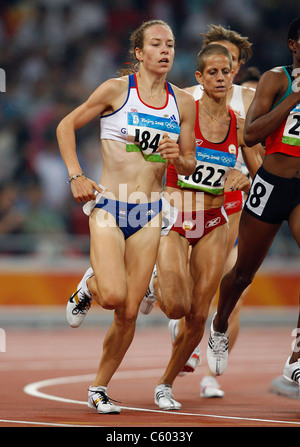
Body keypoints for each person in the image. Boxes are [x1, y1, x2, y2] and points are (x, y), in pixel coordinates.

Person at [56, 20, 196, 415]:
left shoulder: (183, 103)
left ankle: (98, 388)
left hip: (150, 214)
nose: (165, 50)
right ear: (139, 52)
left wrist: (178, 159)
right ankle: (91, 286)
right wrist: (76, 175)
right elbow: (65, 125)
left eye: (170, 44)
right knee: (114, 295)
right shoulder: (117, 90)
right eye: (156, 44)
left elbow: (188, 164)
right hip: (110, 208)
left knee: (129, 312)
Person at [140, 25, 262, 398]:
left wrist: (244, 178)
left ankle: (167, 383)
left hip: (218, 220)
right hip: (178, 215)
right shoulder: (182, 106)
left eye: (227, 70)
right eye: (213, 71)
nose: (222, 77)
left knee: (204, 310)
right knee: (177, 304)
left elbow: (262, 175)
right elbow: (150, 148)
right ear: (200, 76)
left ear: (236, 71)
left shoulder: (243, 119)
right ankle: (154, 281)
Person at [206, 18, 300, 388]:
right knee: (244, 272)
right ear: (293, 44)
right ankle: (219, 324)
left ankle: (296, 358)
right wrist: (294, 99)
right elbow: (251, 133)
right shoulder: (276, 79)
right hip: (272, 183)